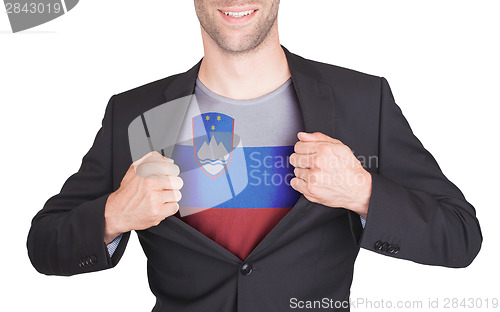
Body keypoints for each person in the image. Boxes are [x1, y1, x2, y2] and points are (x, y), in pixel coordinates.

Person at [27, 1, 482, 311]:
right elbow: (45, 245)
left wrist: (363, 192)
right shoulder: (136, 113)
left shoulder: (362, 101)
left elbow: (460, 236)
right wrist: (114, 214)